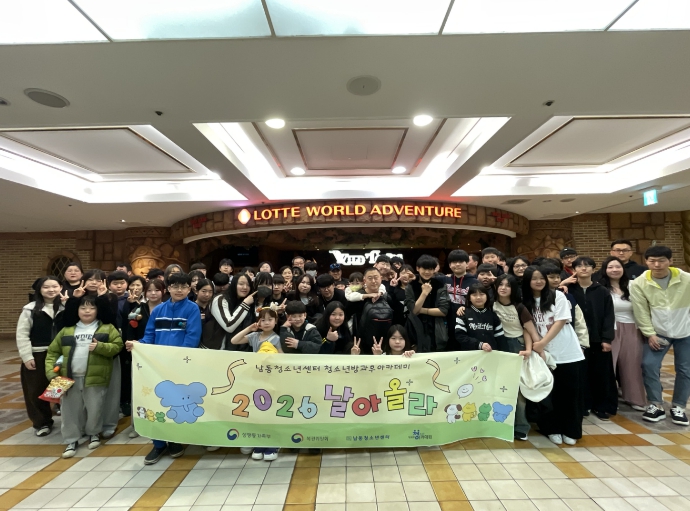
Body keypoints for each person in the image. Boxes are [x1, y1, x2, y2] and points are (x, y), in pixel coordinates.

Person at [127, 272, 202, 464]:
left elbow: (192, 338)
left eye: (183, 286)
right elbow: (149, 336)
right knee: (156, 403)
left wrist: (176, 360)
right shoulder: (158, 310)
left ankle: (175, 440)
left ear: (189, 289)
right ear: (168, 288)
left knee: (176, 404)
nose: (179, 290)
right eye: (175, 286)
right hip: (156, 367)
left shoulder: (192, 309)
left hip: (179, 366)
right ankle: (158, 444)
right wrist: (138, 344)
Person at [47, 295, 123, 458]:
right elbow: (52, 352)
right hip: (68, 378)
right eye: (83, 308)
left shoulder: (107, 328)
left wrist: (100, 347)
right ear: (77, 310)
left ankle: (94, 433)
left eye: (91, 308)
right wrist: (51, 373)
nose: (87, 311)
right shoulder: (67, 330)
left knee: (95, 407)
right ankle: (71, 439)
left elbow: (118, 346)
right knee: (69, 410)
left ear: (97, 310)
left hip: (96, 377)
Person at [523, 266, 586, 445]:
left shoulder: (558, 296)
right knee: (547, 394)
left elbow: (560, 321)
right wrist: (538, 347)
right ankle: (551, 428)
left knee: (570, 394)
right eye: (534, 278)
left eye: (541, 278)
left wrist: (543, 342)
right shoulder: (525, 301)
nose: (539, 281)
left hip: (567, 352)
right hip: (542, 355)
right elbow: (526, 326)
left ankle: (572, 430)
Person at [630, 245, 690, 426]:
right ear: (646, 262)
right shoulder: (639, 283)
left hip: (685, 331)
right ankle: (656, 404)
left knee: (685, 369)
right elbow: (640, 311)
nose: (657, 265)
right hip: (657, 332)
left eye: (661, 260)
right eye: (652, 261)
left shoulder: (686, 279)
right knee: (649, 365)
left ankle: (679, 406)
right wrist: (649, 334)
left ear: (670, 261)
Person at [16, 276, 66, 437]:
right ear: (39, 290)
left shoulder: (66, 307)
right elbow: (22, 334)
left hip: (61, 355)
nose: (51, 290)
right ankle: (42, 422)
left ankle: (68, 420)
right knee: (35, 390)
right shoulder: (30, 309)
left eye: (55, 286)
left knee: (62, 387)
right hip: (37, 354)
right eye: (46, 287)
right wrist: (27, 356)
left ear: (60, 288)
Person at [569, 257, 617, 421]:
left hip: (598, 339)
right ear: (574, 270)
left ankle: (602, 406)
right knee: (581, 374)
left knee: (601, 374)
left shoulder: (602, 291)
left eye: (587, 266)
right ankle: (584, 405)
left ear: (593, 269)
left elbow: (609, 316)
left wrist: (607, 339)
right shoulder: (568, 290)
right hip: (576, 340)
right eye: (579, 266)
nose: (583, 268)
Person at [231, 308, 282, 461]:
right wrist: (250, 328)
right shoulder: (254, 336)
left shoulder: (277, 338)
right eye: (263, 319)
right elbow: (234, 341)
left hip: (271, 380)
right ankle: (260, 441)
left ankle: (273, 443)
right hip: (255, 380)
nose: (266, 323)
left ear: (275, 321)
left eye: (270, 319)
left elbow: (283, 358)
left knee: (270, 410)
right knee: (257, 410)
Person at [599, 256, 646, 412]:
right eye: (610, 267)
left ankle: (634, 398)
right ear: (605, 270)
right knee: (609, 366)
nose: (614, 270)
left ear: (623, 269)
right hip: (610, 329)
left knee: (632, 364)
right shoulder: (600, 288)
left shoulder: (634, 285)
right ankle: (608, 400)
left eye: (617, 267)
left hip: (632, 328)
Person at [493, 274, 535, 440]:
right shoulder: (491, 304)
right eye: (500, 284)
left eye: (508, 285)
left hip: (516, 346)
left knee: (518, 389)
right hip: (496, 345)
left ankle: (521, 426)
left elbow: (528, 330)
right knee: (498, 386)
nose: (503, 288)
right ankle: (499, 423)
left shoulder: (519, 307)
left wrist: (530, 349)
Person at [122, 279, 165, 438]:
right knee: (140, 391)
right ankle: (137, 425)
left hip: (162, 356)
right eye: (150, 290)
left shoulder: (167, 309)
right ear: (145, 292)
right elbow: (129, 332)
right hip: (141, 356)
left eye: (157, 290)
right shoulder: (138, 310)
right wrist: (133, 346)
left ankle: (161, 423)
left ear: (163, 292)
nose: (153, 293)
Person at [353, 268, 403, 354]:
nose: (373, 281)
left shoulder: (387, 296)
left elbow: (399, 315)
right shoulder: (357, 297)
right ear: (364, 280)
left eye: (376, 278)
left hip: (386, 343)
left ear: (381, 278)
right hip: (362, 344)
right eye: (370, 278)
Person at [405, 255, 450, 351]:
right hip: (416, 328)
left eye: (430, 269)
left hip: (436, 328)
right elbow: (414, 311)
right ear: (417, 268)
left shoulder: (440, 285)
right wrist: (424, 293)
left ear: (434, 270)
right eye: (424, 268)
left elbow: (443, 311)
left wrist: (421, 310)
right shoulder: (411, 286)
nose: (427, 272)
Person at [206, 273, 256, 350]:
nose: (245, 287)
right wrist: (245, 304)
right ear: (233, 284)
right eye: (241, 284)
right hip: (214, 349)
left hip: (236, 349)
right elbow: (229, 326)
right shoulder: (220, 299)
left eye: (248, 285)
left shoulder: (245, 301)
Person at [452, 283, 505, 351]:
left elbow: (500, 338)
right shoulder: (463, 314)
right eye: (474, 295)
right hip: (470, 354)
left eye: (482, 294)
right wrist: (479, 344)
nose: (478, 297)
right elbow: (460, 336)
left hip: (490, 353)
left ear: (487, 296)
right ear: (469, 298)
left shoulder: (493, 316)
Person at [441, 250, 478, 344]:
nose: (457, 264)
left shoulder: (475, 282)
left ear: (467, 264)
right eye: (454, 262)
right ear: (450, 265)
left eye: (461, 262)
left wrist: (467, 308)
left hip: (467, 321)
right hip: (447, 322)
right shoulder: (444, 280)